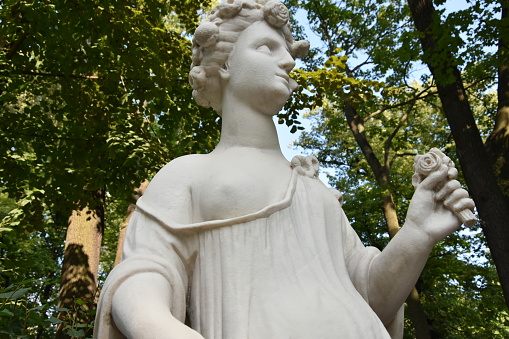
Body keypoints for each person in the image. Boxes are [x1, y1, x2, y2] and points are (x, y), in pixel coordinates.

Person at [94, 1, 475, 338]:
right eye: (267, 47)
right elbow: (142, 278)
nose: (289, 61)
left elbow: (373, 295)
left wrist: (416, 234)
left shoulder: (312, 187)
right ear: (224, 63)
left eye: (287, 50)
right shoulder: (189, 174)